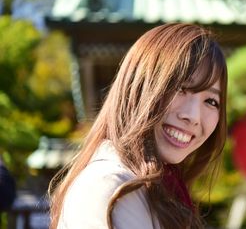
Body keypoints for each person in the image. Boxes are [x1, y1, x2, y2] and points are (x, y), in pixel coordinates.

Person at [49, 23, 228, 229]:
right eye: (180, 88)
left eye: (211, 101)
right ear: (138, 85)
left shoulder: (159, 189)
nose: (194, 116)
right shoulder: (112, 185)